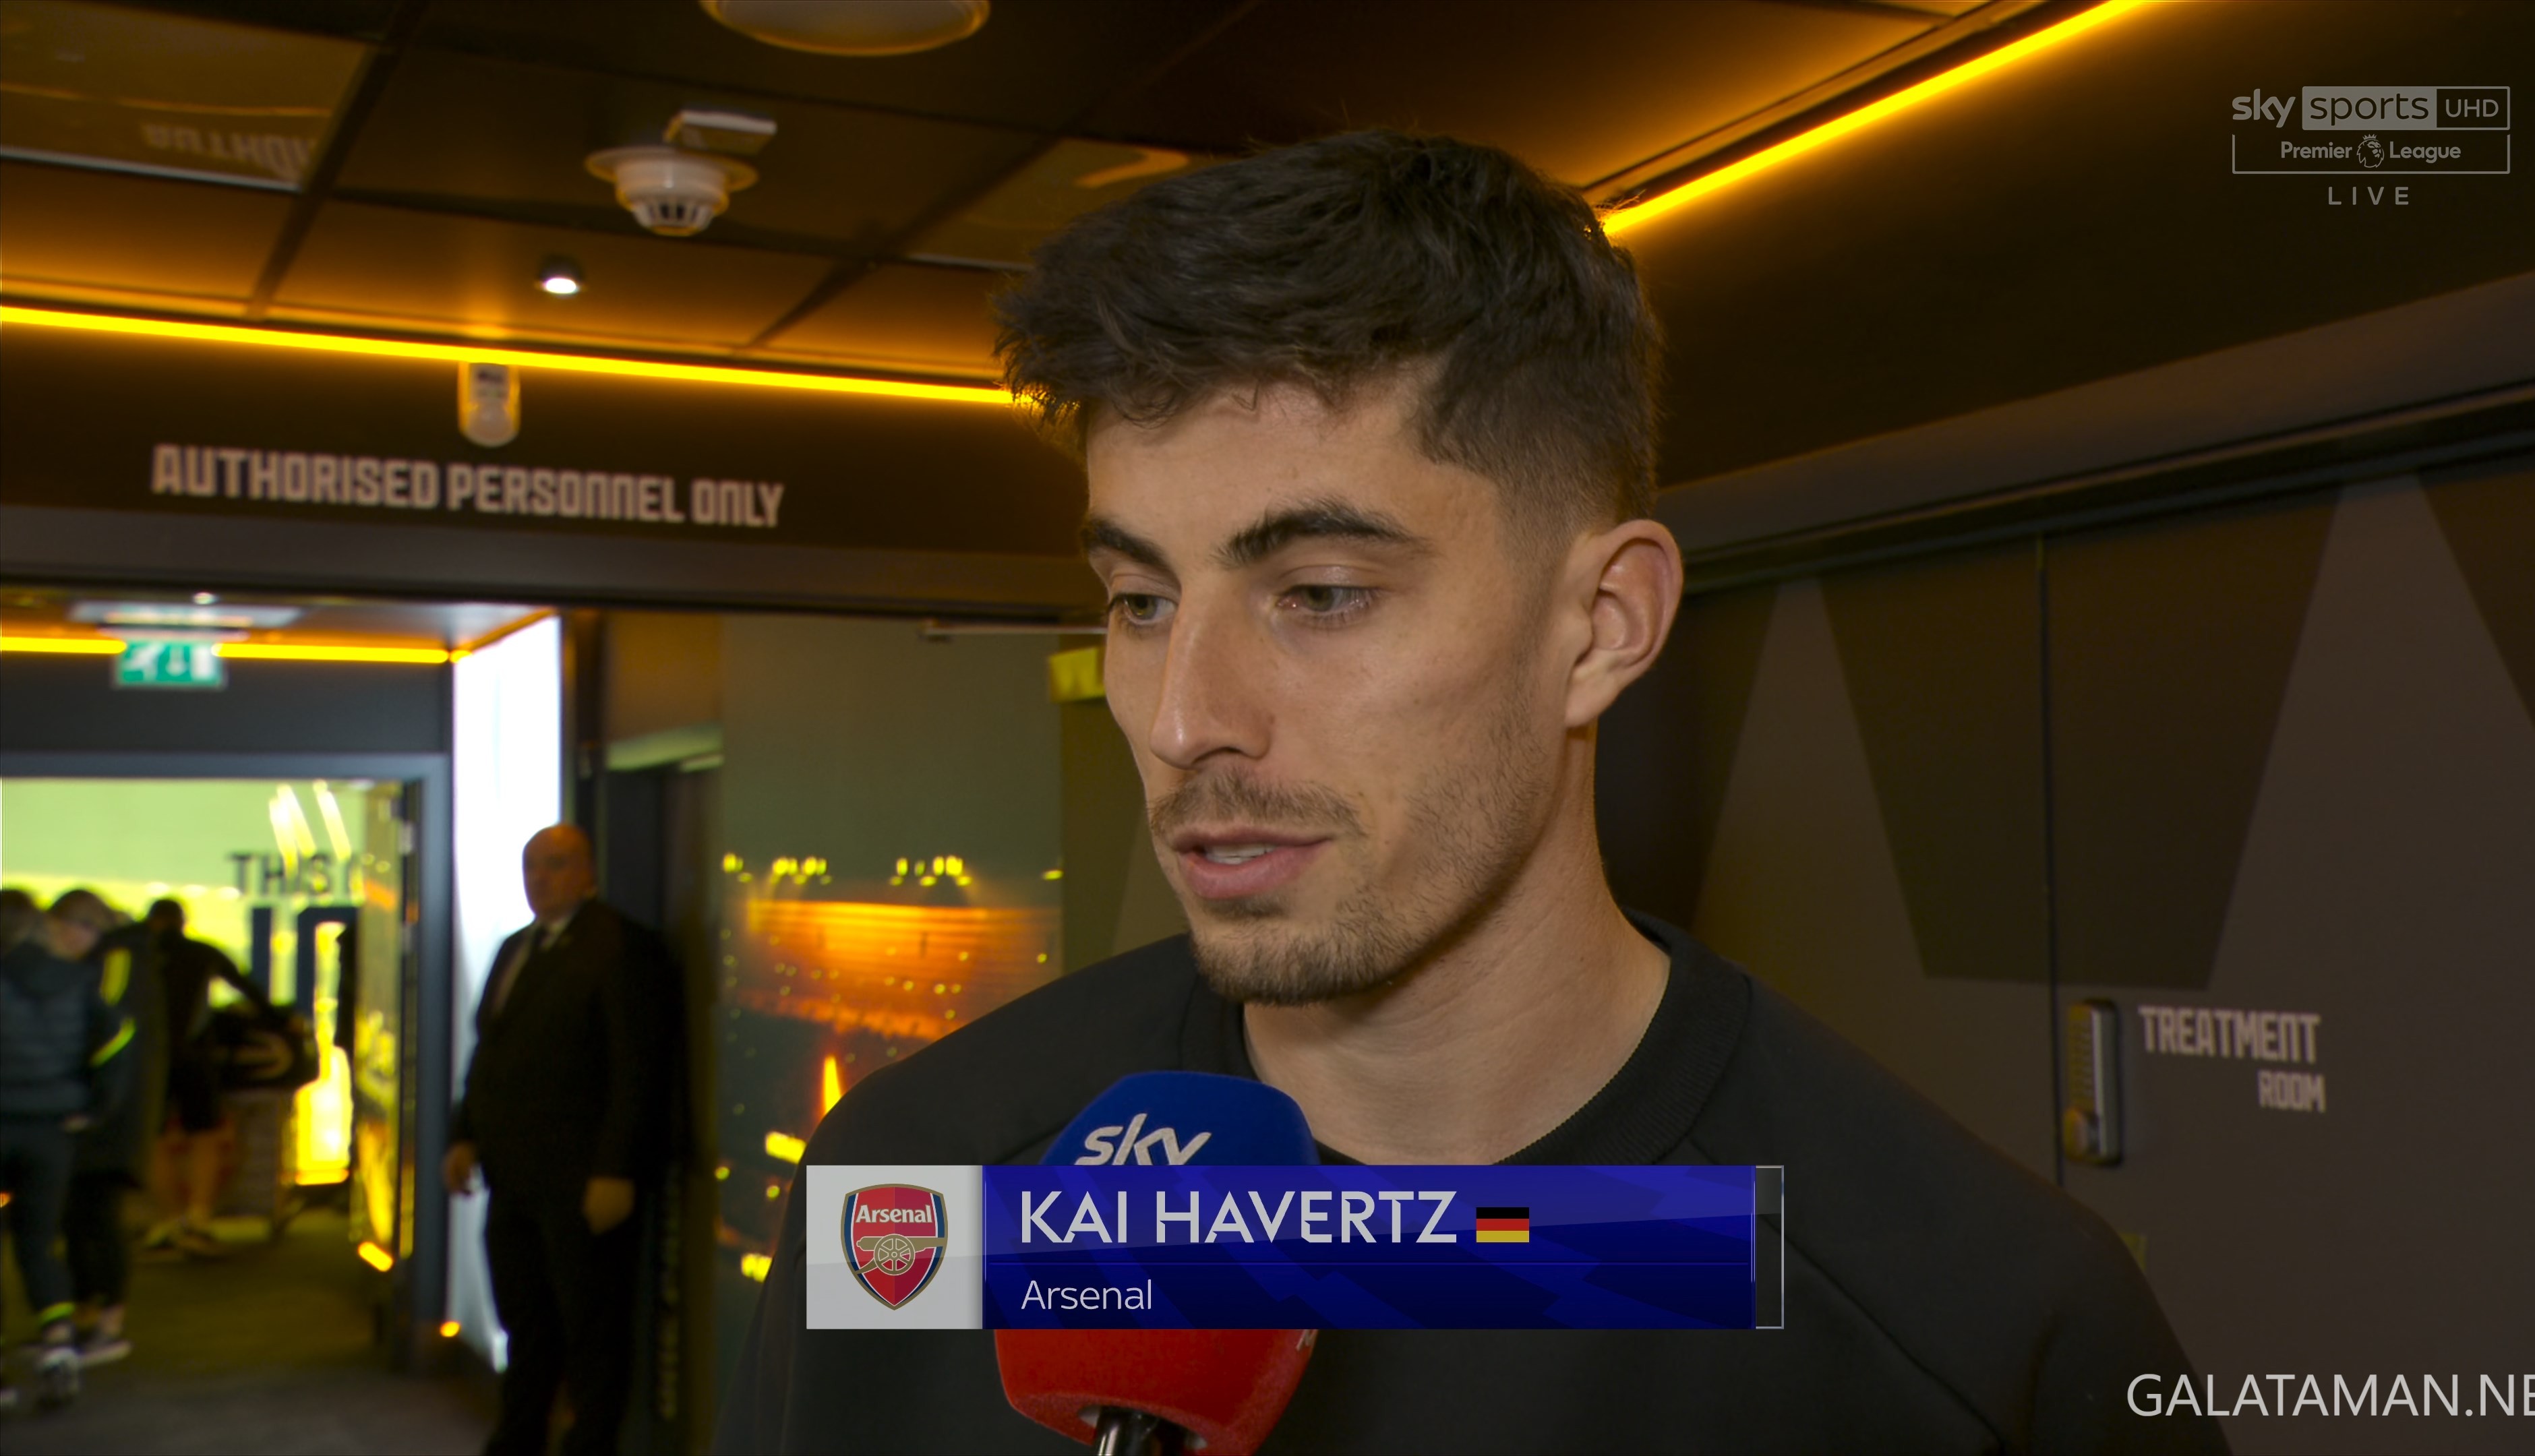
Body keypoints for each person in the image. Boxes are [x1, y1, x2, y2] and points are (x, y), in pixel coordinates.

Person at [716, 131, 2226, 1453]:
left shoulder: (1984, 1332)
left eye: (1320, 593)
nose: (1183, 721)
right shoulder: (911, 1199)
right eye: (1141, 601)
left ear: (1603, 627)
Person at [446, 824, 672, 1456]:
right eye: (532, 867)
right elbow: (490, 1053)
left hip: (582, 1180)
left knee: (592, 1328)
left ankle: (590, 1446)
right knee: (526, 1320)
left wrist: (616, 1168)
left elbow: (637, 1067)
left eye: (556, 864)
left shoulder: (621, 948)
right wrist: (465, 1135)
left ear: (588, 872)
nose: (540, 879)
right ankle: (518, 1437)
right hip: (514, 1177)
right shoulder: (517, 948)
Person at [0, 889, 131, 1414]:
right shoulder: (79, 981)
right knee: (38, 1241)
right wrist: (96, 1107)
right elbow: (118, 1042)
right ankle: (58, 1344)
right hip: (52, 1133)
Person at [65, 909, 168, 1364]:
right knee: (87, 1216)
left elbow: (105, 1032)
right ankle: (94, 1315)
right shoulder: (126, 959)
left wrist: (95, 1105)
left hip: (109, 1114)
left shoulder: (116, 963)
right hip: (117, 1111)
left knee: (96, 1217)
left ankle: (105, 1319)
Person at [142, 898, 270, 1258]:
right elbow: (246, 988)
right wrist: (277, 1018)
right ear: (182, 922)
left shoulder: (138, 955)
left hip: (149, 1060)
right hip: (195, 1058)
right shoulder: (202, 952)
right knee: (205, 1135)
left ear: (151, 922)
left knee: (152, 1139)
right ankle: (198, 1218)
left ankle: (169, 1219)